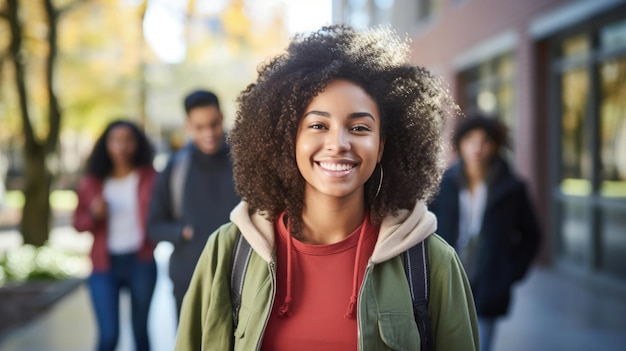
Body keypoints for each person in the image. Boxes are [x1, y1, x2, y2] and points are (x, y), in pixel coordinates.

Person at [175, 25, 479, 350]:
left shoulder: (431, 262)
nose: (338, 143)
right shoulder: (229, 252)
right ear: (289, 139)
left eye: (359, 127)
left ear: (380, 147)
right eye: (318, 125)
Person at [429, 113, 541, 351]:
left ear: (495, 146)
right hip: (446, 280)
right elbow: (425, 227)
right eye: (470, 139)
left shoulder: (512, 188)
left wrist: (510, 272)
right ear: (460, 142)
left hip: (489, 283)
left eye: (485, 141)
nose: (477, 147)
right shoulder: (442, 184)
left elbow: (532, 236)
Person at [147, 89, 240, 317]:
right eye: (200, 127)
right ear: (188, 125)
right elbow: (153, 226)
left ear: (223, 117)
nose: (209, 133)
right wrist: (183, 233)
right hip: (189, 282)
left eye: (214, 124)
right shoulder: (176, 168)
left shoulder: (245, 162)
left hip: (239, 282)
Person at [73, 120, 157, 351]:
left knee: (140, 332)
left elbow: (162, 214)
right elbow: (78, 224)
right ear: (106, 144)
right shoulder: (92, 182)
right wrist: (93, 214)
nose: (122, 146)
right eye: (116, 140)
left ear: (137, 144)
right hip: (103, 265)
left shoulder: (150, 177)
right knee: (109, 336)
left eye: (128, 140)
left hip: (141, 261)